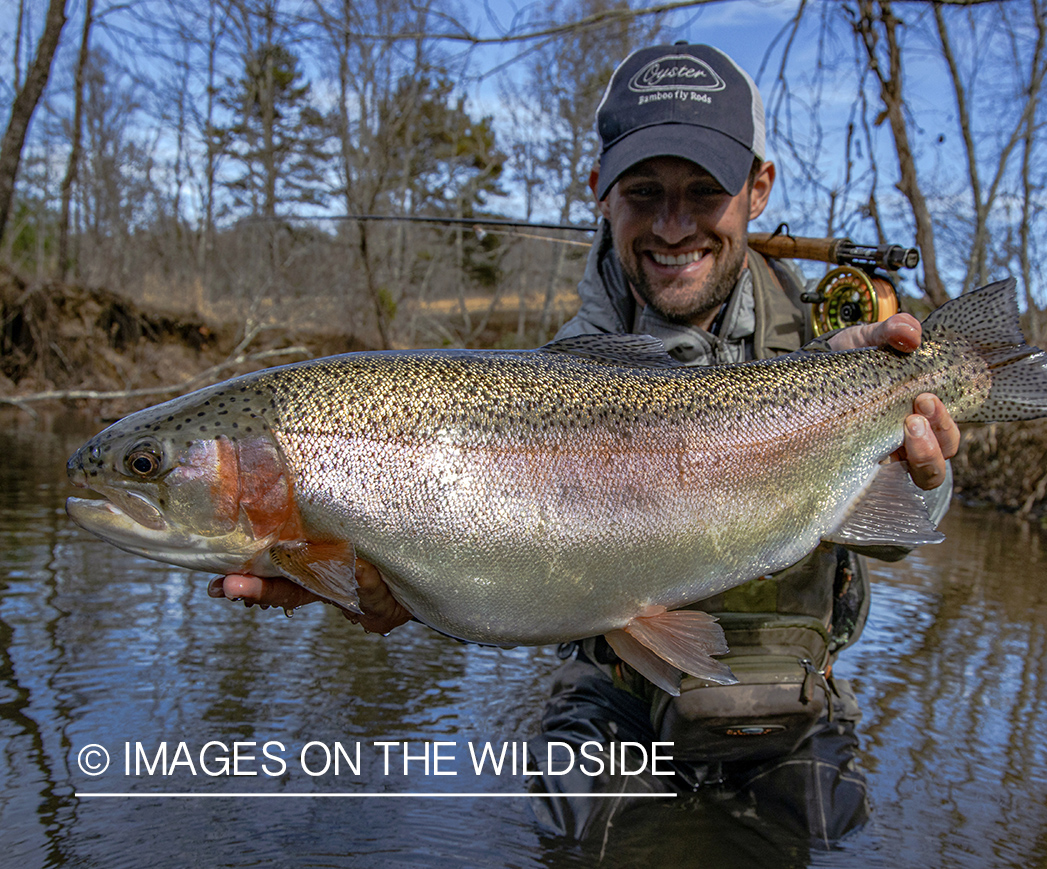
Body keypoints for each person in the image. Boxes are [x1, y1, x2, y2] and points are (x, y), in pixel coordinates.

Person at [210, 42, 958, 847]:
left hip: (788, 695)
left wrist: (920, 467)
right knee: (576, 837)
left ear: (758, 188)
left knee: (826, 836)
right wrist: (388, 586)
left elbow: (894, 537)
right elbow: (483, 554)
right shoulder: (544, 376)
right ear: (599, 190)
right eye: (644, 192)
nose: (673, 225)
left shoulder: (837, 343)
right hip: (617, 688)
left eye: (703, 191)